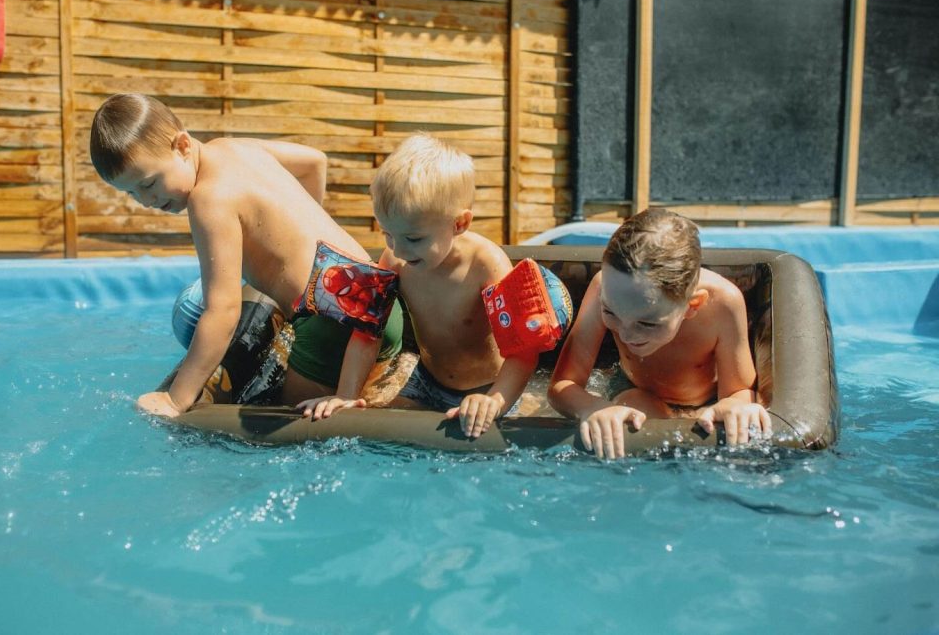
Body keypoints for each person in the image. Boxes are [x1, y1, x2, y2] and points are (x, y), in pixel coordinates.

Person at [89, 93, 403, 417]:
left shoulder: (207, 199)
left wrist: (175, 399)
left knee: (280, 422)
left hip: (331, 327)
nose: (145, 200)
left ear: (182, 146)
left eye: (149, 183)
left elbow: (223, 310)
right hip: (376, 298)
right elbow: (314, 162)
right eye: (130, 193)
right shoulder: (234, 147)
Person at [297, 133, 538, 438]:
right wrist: (345, 397)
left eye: (413, 239)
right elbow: (367, 334)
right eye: (387, 234)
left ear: (459, 224)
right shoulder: (395, 261)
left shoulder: (486, 265)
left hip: (488, 389)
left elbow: (523, 350)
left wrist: (495, 401)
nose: (397, 250)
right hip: (425, 383)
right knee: (376, 441)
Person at [547, 208, 771, 459]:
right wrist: (592, 407)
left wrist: (734, 405)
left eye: (647, 324)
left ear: (692, 306)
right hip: (635, 390)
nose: (626, 334)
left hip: (706, 403)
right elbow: (562, 386)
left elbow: (738, 390)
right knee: (631, 417)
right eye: (610, 313)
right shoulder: (602, 287)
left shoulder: (724, 304)